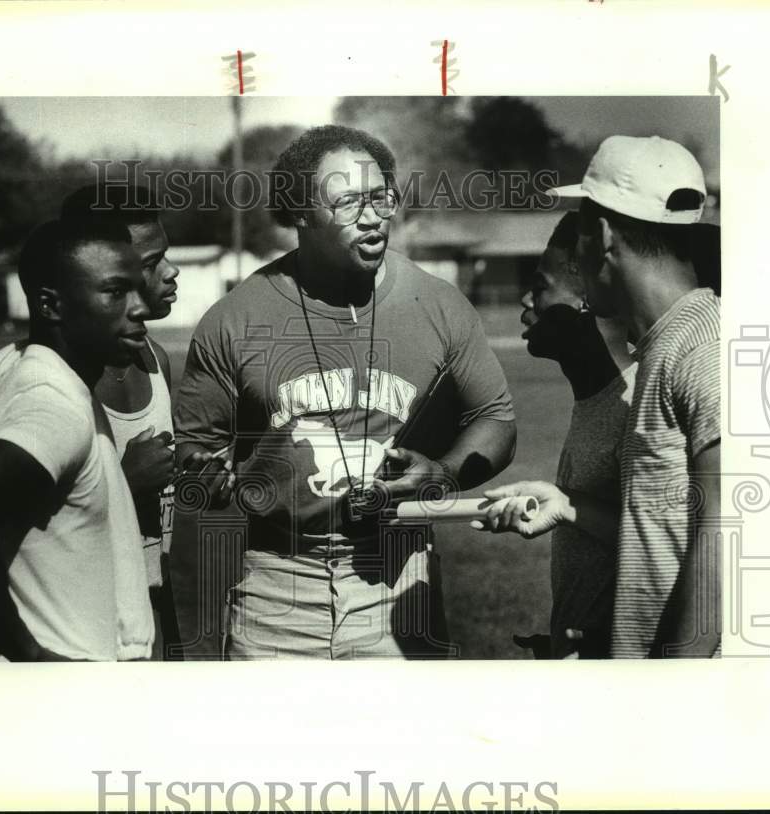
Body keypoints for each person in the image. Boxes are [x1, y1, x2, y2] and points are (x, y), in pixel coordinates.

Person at [175, 124, 516, 659]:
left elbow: (495, 418)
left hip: (400, 577)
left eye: (382, 197)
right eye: (349, 201)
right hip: (274, 585)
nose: (374, 216)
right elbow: (196, 447)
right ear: (300, 215)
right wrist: (209, 475)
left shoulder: (438, 304)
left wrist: (445, 473)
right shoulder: (235, 319)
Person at [477, 136, 721, 658]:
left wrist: (676, 686)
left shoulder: (703, 344)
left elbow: (730, 535)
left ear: (604, 236)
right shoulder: (668, 345)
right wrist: (567, 505)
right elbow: (664, 535)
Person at [0, 218, 156, 661]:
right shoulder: (54, 404)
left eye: (137, 288)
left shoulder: (37, 377)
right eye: (115, 292)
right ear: (51, 306)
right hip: (61, 703)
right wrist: (31, 656)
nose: (139, 307)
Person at [60, 183, 183, 659]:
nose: (171, 274)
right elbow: (26, 525)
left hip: (153, 602)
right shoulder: (64, 379)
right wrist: (125, 481)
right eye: (151, 264)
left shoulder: (156, 358)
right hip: (86, 619)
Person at [510, 212, 636, 659]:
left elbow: (663, 542)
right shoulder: (594, 400)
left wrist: (564, 506)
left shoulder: (633, 406)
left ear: (588, 298)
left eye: (541, 287)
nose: (526, 299)